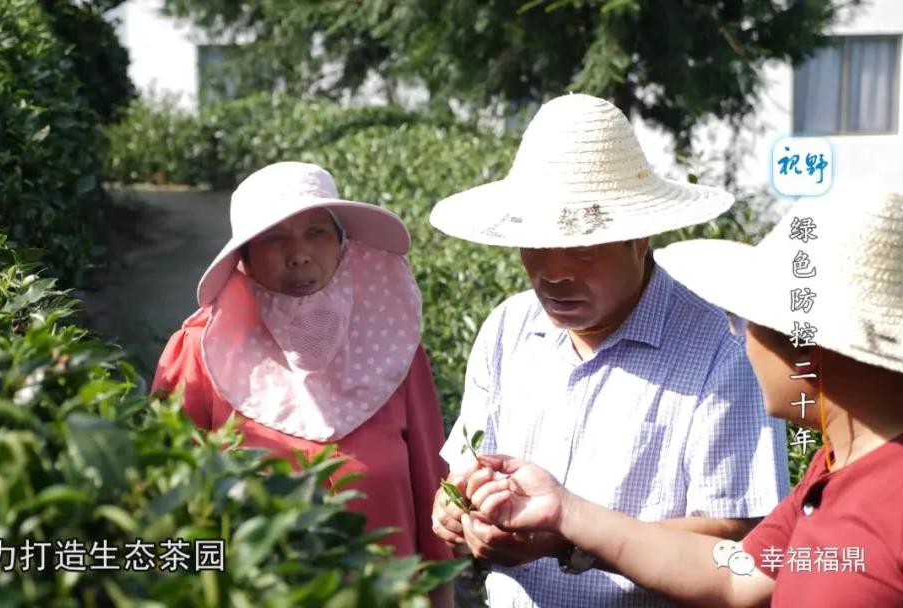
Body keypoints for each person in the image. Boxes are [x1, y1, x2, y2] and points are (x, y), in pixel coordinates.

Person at [462, 185, 903, 606]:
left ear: (811, 347)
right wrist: (563, 512)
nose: (743, 340)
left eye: (751, 323)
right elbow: (735, 576)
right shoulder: (831, 470)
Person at [428, 94, 790, 606]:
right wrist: (456, 511)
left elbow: (738, 535)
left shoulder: (722, 348)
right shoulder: (508, 329)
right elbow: (462, 470)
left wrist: (570, 542)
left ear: (638, 236)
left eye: (581, 248)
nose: (553, 273)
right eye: (535, 245)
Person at [151, 161, 454, 606]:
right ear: (245, 259)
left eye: (316, 232)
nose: (299, 253)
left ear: (342, 244)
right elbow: (166, 505)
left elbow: (432, 496)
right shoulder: (200, 352)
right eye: (275, 238)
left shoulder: (393, 347)